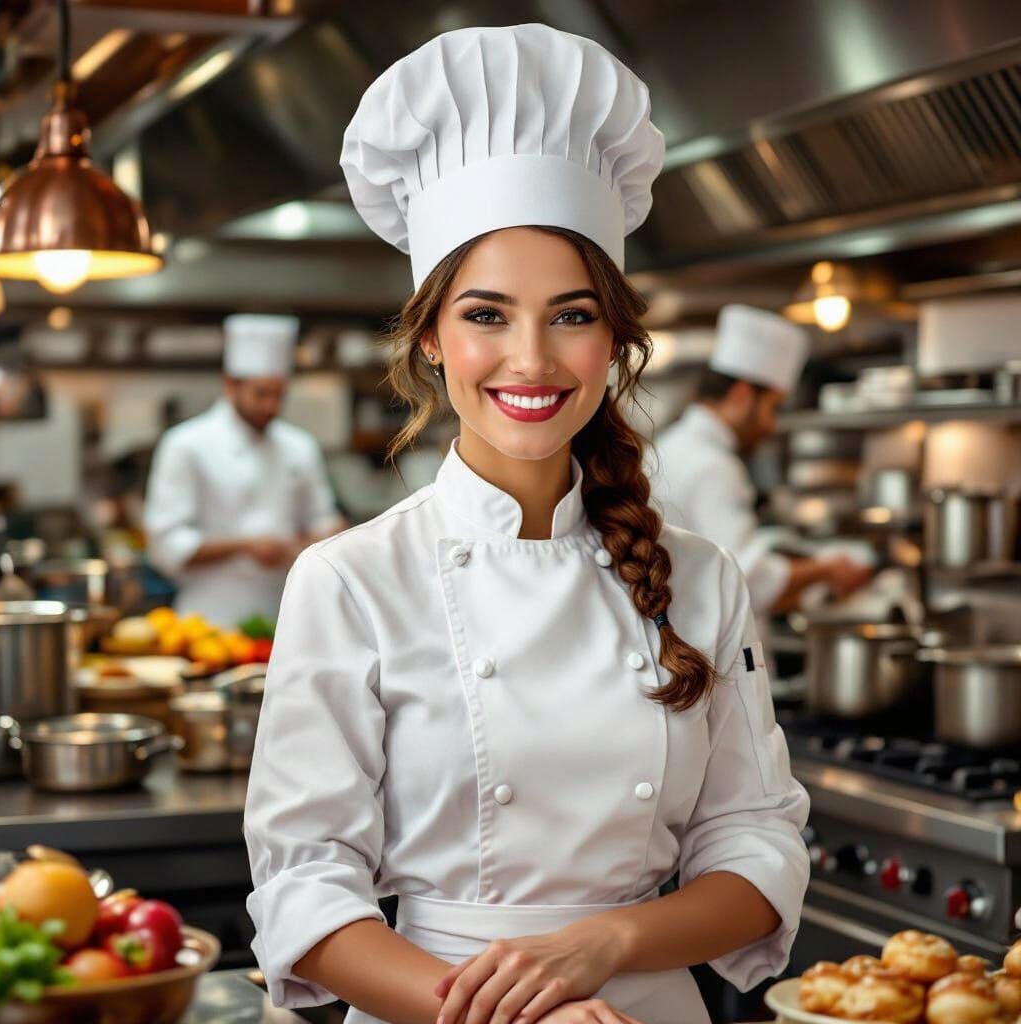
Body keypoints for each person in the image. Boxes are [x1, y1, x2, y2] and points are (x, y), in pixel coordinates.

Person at [244, 24, 809, 1024]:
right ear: (431, 337)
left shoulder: (704, 575)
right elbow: (304, 888)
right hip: (436, 1008)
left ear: (615, 340)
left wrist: (611, 940)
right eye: (487, 314)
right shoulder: (349, 577)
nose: (532, 359)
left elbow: (757, 846)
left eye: (573, 314)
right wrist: (521, 1011)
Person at [648, 305, 873, 633]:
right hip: (710, 651)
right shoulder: (712, 465)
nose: (772, 425)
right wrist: (827, 569)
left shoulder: (672, 445)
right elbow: (747, 580)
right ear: (741, 395)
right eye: (773, 407)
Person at [143, 314, 344, 627]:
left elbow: (325, 518)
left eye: (278, 394)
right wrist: (245, 546)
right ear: (230, 385)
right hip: (209, 618)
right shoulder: (186, 444)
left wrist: (321, 537)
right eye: (260, 394)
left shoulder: (300, 446)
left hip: (288, 613)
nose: (270, 406)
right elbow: (165, 542)